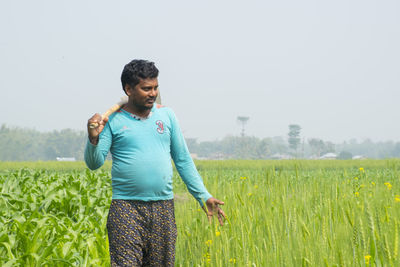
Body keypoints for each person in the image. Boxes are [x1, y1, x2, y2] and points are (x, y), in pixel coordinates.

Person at [84, 59, 226, 266]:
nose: (152, 93)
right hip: (126, 209)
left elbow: (183, 160)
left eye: (155, 88)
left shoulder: (167, 116)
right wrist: (93, 138)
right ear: (128, 89)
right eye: (146, 89)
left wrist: (203, 196)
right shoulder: (113, 120)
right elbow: (94, 162)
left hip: (163, 208)